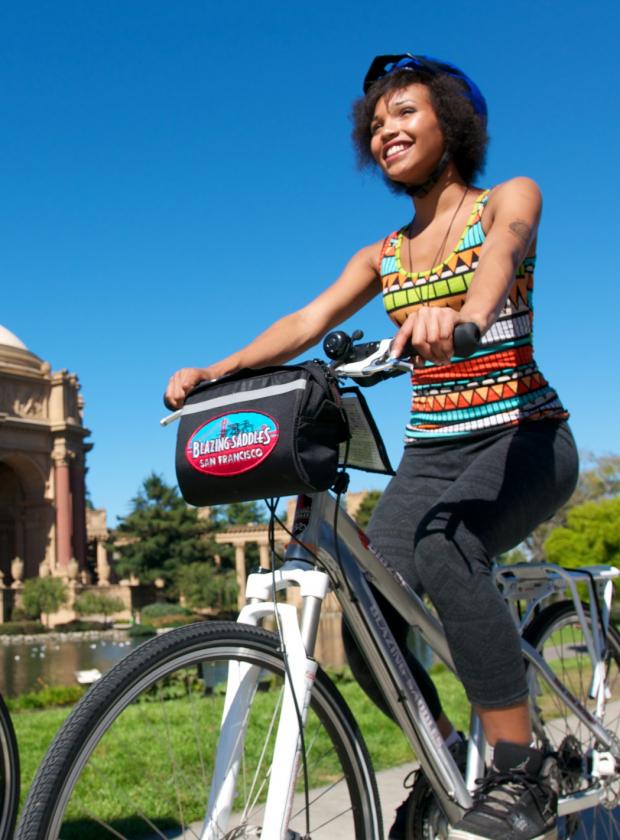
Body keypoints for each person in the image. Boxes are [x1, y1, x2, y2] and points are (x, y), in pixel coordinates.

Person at [166, 53, 578, 840]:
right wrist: (217, 372)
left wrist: (462, 314)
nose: (386, 132)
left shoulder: (504, 199)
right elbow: (303, 322)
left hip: (524, 436)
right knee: (363, 611)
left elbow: (504, 254)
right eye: (377, 124)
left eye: (406, 115)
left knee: (447, 550)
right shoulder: (382, 256)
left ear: (453, 125)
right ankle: (447, 756)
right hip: (432, 458)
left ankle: (518, 770)